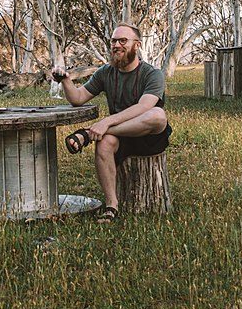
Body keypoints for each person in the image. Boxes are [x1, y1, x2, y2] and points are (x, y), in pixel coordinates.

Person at [52, 23, 171, 222]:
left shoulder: (152, 74)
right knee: (104, 142)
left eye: (123, 40)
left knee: (157, 115)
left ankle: (88, 134)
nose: (116, 45)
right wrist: (65, 80)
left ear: (137, 45)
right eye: (114, 41)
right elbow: (78, 98)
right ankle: (111, 206)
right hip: (120, 136)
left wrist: (105, 123)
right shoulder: (105, 72)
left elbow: (144, 107)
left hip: (149, 136)